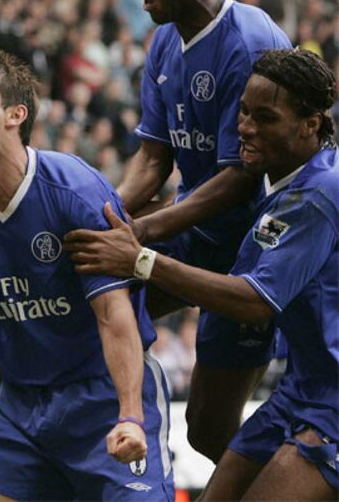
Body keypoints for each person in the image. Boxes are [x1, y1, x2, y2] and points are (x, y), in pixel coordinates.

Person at [64, 47, 338, 501]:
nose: (245, 128)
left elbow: (254, 299)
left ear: (310, 124)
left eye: (265, 118)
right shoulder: (280, 183)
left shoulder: (319, 195)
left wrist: (141, 261)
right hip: (299, 390)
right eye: (244, 112)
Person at [0, 46, 174, 502]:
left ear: (14, 115)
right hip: (22, 410)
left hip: (103, 398)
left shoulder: (74, 191)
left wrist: (130, 416)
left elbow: (114, 317)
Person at [93, 0, 293, 462]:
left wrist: (141, 229)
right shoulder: (162, 44)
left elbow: (240, 177)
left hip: (253, 249)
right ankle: (123, 441)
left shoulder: (247, 43)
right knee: (96, 295)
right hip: (196, 228)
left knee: (207, 429)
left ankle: (296, 479)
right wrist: (100, 210)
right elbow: (155, 157)